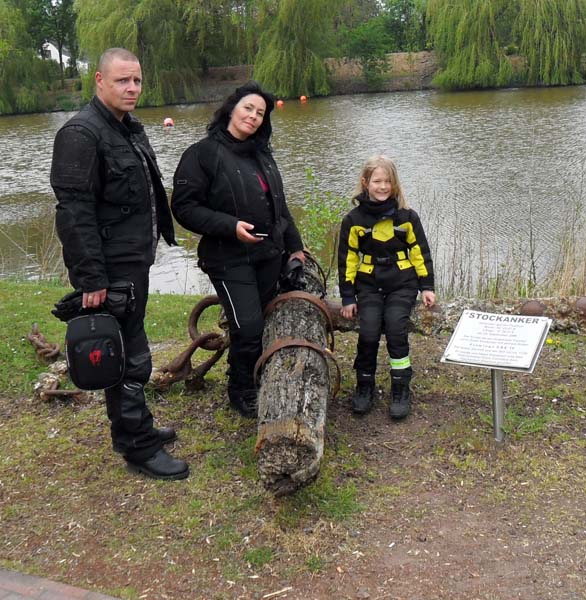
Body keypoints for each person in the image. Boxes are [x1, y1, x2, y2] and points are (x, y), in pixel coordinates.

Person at [50, 48, 189, 480]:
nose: (132, 89)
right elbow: (73, 213)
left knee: (132, 344)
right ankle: (137, 447)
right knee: (127, 355)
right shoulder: (81, 134)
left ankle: (137, 427)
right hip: (110, 268)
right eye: (122, 81)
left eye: (137, 81)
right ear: (99, 80)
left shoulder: (127, 128)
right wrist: (91, 277)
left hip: (134, 260)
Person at [171, 82, 306, 418]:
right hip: (228, 257)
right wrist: (230, 226)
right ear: (231, 108)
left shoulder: (263, 154)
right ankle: (240, 389)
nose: (254, 116)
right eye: (248, 108)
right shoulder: (202, 154)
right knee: (248, 326)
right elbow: (184, 207)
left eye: (260, 113)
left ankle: (253, 374)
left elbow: (280, 207)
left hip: (269, 254)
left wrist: (295, 248)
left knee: (257, 322)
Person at [337, 155, 435, 420]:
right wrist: (348, 297)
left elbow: (420, 253)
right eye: (377, 181)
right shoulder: (353, 220)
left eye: (387, 182)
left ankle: (401, 388)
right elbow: (347, 260)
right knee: (368, 332)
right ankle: (364, 385)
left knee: (395, 329)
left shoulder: (407, 217)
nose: (382, 187)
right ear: (365, 183)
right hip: (368, 286)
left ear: (395, 184)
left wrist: (427, 286)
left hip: (402, 284)